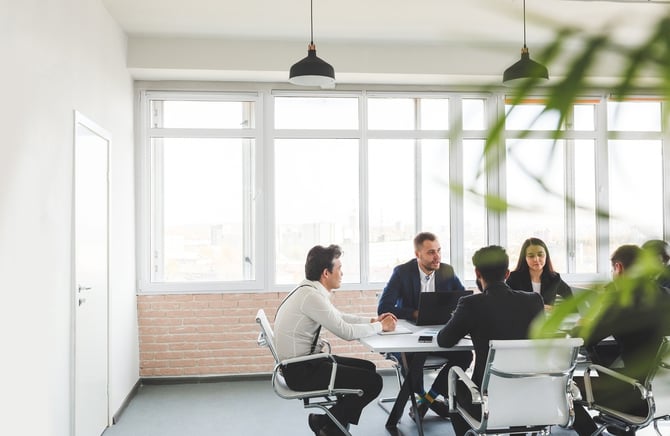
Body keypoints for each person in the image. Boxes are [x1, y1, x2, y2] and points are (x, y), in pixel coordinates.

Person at [274, 244, 398, 436]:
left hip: (304, 364)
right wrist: (381, 327)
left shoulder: (308, 291)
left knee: (368, 369)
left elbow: (338, 316)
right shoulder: (311, 297)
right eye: (339, 268)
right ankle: (330, 425)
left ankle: (326, 422)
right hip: (301, 371)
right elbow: (346, 332)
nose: (342, 273)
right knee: (374, 382)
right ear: (326, 273)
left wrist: (372, 321)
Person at [435, 245, 544, 436]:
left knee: (454, 384)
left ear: (477, 273)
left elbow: (444, 340)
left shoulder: (471, 303)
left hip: (485, 401)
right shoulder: (534, 300)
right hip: (531, 397)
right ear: (507, 273)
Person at [571, 244, 670, 436]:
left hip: (636, 396)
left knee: (566, 389)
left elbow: (585, 339)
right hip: (664, 393)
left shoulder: (622, 300)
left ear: (618, 268)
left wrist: (583, 324)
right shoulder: (665, 295)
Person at [377, 232, 473, 418]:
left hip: (439, 335)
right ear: (418, 254)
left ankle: (428, 399)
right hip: (409, 339)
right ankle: (423, 397)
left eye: (438, 251)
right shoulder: (402, 273)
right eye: (431, 252)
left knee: (465, 356)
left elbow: (463, 300)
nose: (437, 256)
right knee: (414, 361)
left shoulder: (447, 271)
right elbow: (384, 307)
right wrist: (413, 313)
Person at [506, 237, 572, 309]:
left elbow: (573, 302)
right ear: (524, 258)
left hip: (547, 319)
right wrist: (540, 307)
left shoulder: (554, 278)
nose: (536, 259)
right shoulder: (514, 278)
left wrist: (556, 310)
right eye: (531, 256)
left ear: (546, 256)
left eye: (540, 255)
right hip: (522, 319)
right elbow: (505, 303)